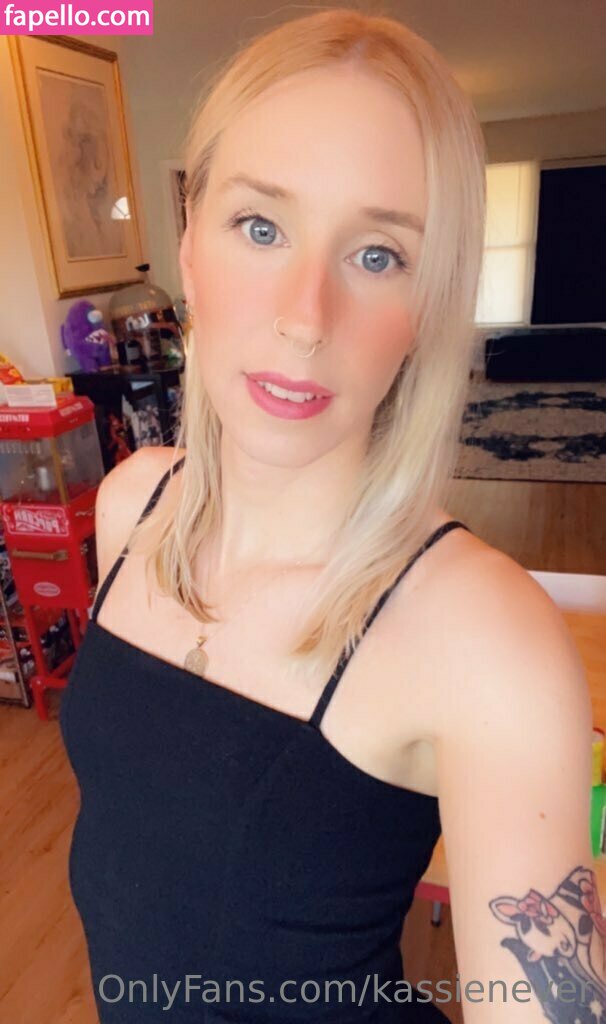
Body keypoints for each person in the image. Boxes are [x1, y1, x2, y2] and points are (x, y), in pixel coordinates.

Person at [59, 8, 603, 1023]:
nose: (306, 317)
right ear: (190, 245)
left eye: (378, 255)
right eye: (261, 227)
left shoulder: (483, 637)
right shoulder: (134, 506)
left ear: (427, 306)